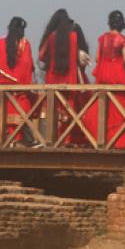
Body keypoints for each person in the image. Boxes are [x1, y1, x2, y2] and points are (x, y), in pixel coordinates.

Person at [38, 9, 86, 146]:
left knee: (54, 110)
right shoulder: (73, 37)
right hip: (69, 79)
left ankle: (52, 139)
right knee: (69, 110)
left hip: (53, 78)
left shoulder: (51, 37)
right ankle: (67, 139)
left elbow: (41, 55)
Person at [92, 10, 125, 149]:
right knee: (120, 106)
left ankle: (100, 139)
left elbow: (97, 58)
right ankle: (119, 141)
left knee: (101, 104)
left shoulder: (102, 38)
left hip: (103, 71)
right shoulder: (123, 40)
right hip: (117, 72)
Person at [0, 17, 34, 146]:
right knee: (22, 112)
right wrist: (23, 81)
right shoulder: (24, 43)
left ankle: (7, 139)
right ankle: (18, 139)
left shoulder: (0, 42)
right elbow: (27, 64)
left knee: (5, 112)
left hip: (5, 86)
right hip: (21, 86)